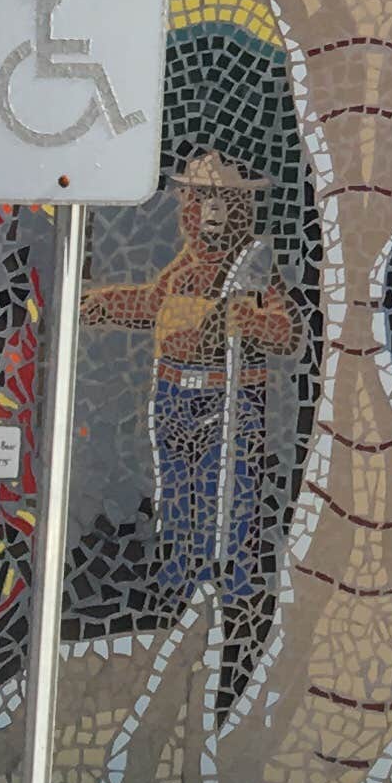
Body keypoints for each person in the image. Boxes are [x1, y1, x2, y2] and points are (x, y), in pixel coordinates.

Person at [82, 152, 296, 613]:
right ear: (185, 203)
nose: (213, 214)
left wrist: (247, 319)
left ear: (245, 207)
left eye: (226, 201)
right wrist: (105, 304)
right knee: (176, 492)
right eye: (201, 199)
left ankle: (233, 589)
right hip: (173, 393)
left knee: (230, 494)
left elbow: (285, 330)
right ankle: (180, 581)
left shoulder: (252, 266)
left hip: (231, 397)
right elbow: (152, 304)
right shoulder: (182, 266)